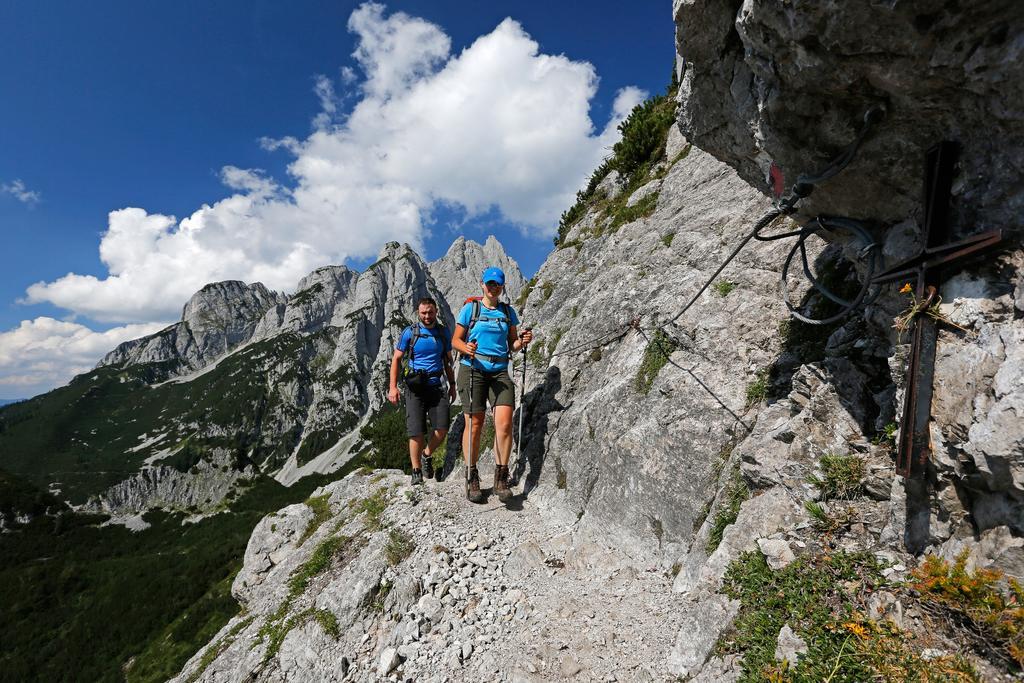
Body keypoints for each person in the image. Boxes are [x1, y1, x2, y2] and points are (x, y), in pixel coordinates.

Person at [451, 267, 533, 503]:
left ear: (502, 287)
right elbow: (455, 340)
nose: (493, 287)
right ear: (482, 284)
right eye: (489, 283)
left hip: (499, 371)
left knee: (505, 424)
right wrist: (466, 348)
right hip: (472, 369)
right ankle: (472, 475)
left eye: (497, 284)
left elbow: (513, 345)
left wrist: (523, 341)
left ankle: (501, 476)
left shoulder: (508, 312)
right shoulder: (471, 309)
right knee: (475, 423)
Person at [388, 297, 457, 485]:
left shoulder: (443, 332)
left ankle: (427, 454)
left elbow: (447, 361)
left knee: (442, 429)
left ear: (436, 312)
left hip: (437, 385)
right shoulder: (409, 333)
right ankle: (416, 470)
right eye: (423, 313)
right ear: (418, 313)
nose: (427, 316)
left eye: (430, 312)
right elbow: (396, 359)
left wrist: (452, 385)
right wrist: (392, 387)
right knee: (416, 431)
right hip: (415, 387)